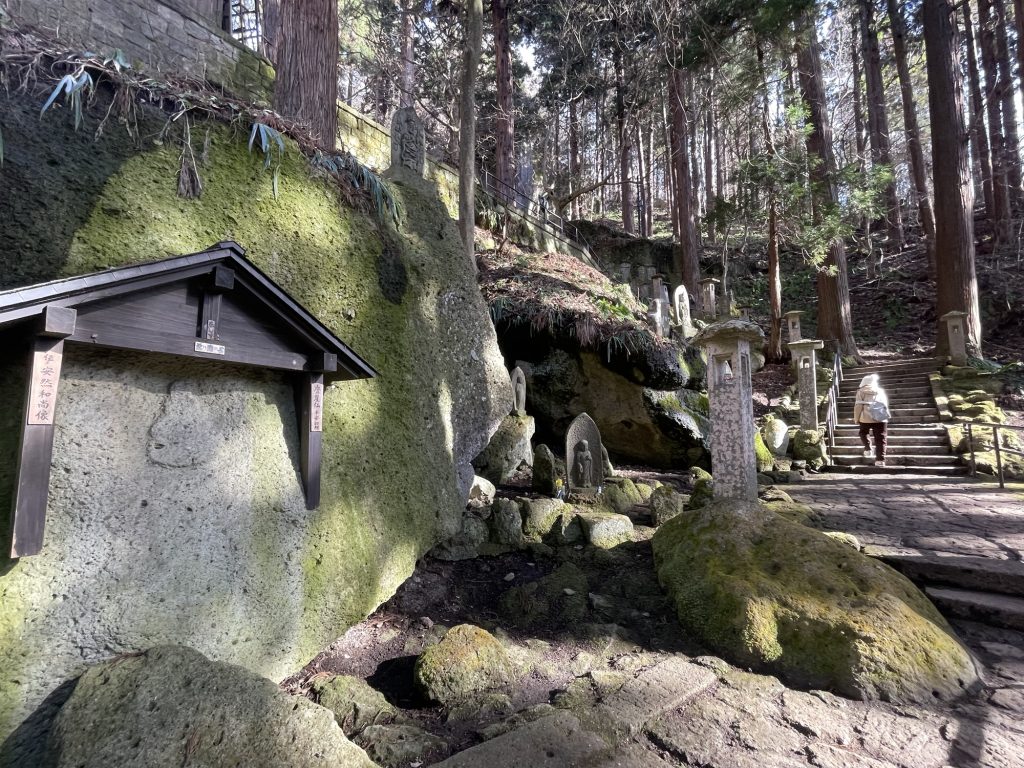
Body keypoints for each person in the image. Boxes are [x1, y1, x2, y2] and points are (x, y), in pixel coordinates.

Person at [853, 373, 890, 467]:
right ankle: (880, 460)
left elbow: (858, 406)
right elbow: (885, 403)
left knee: (863, 432)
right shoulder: (880, 390)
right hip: (880, 416)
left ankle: (868, 448)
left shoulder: (860, 391)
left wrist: (856, 418)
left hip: (865, 417)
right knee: (881, 439)